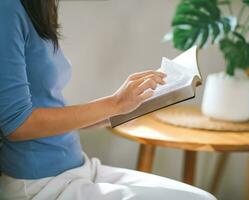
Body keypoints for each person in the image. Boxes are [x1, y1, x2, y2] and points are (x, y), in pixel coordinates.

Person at [0, 0, 216, 199]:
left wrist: (118, 111)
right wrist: (114, 103)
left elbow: (48, 105)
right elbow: (18, 124)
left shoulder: (39, 6)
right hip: (41, 183)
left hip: (78, 167)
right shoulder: (7, 9)